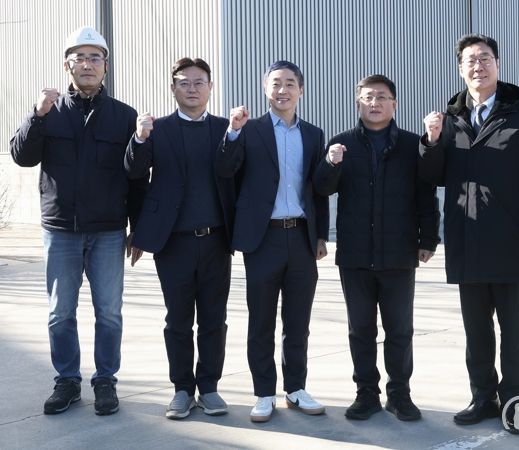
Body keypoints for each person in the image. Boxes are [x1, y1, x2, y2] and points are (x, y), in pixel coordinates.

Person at [419, 34, 519, 433]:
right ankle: (482, 398)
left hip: (512, 241)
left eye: (485, 58)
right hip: (467, 241)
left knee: (514, 333)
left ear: (498, 64)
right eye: (470, 60)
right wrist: (431, 142)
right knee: (476, 332)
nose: (478, 66)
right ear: (460, 69)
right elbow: (433, 176)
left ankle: (513, 403)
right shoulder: (450, 118)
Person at [9, 26, 147, 416]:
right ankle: (67, 381)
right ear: (66, 65)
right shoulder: (49, 112)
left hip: (108, 230)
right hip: (61, 231)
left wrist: (138, 228)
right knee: (60, 313)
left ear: (106, 66)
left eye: (94, 58)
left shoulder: (123, 116)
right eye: (79, 58)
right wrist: (37, 115)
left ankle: (105, 381)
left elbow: (137, 177)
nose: (87, 64)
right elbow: (21, 156)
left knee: (109, 312)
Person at [313, 75, 440, 421]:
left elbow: (426, 194)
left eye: (382, 97)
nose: (375, 103)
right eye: (368, 97)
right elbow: (321, 188)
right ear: (358, 103)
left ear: (394, 104)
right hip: (355, 254)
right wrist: (330, 163)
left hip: (399, 253)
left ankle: (399, 394)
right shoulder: (341, 144)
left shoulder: (411, 145)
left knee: (399, 330)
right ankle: (366, 393)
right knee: (361, 330)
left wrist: (428, 239)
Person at [216, 60, 329, 423]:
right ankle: (264, 393)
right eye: (276, 83)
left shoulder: (313, 134)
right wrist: (233, 132)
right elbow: (225, 170)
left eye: (290, 83)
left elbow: (318, 190)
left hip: (301, 236)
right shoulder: (250, 130)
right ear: (266, 89)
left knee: (298, 321)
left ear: (301, 90)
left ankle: (296, 388)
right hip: (263, 238)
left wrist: (321, 235)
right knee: (261, 320)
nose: (283, 90)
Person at [124, 58, 236, 420]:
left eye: (199, 82)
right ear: (173, 88)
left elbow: (238, 176)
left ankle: (210, 387)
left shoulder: (225, 129)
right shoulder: (159, 129)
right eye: (184, 82)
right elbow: (135, 173)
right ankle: (182, 390)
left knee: (214, 319)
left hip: (216, 240)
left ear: (210, 87)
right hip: (173, 243)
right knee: (178, 320)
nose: (192, 88)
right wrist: (139, 138)